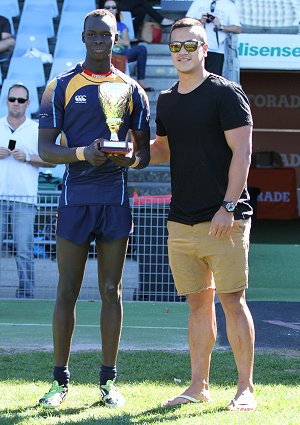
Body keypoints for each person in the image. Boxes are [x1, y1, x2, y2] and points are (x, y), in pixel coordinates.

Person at [38, 9, 150, 408]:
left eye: (107, 35)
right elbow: (46, 150)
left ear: (116, 38)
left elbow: (144, 155)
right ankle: (59, 382)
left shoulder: (133, 88)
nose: (101, 41)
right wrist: (84, 152)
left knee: (110, 291)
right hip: (75, 201)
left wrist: (127, 159)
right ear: (84, 38)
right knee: (66, 289)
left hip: (115, 201)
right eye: (94, 35)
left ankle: (108, 382)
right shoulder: (60, 86)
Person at [150, 17, 256, 412]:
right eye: (175, 46)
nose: (181, 52)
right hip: (181, 219)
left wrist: (228, 206)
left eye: (189, 45)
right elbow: (162, 150)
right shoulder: (166, 99)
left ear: (204, 48)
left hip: (224, 218)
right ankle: (198, 386)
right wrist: (128, 152)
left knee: (232, 301)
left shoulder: (226, 93)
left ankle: (245, 388)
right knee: (198, 305)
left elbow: (243, 153)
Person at [0, 84, 55, 298]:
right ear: (6, 101)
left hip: (24, 198)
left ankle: (26, 294)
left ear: (28, 103)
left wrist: (28, 158)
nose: (16, 103)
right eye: (13, 99)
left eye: (21, 100)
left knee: (24, 251)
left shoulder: (36, 130)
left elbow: (52, 161)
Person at [104, 0, 154, 91]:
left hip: (121, 53)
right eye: (108, 7)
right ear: (103, 10)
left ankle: (140, 81)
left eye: (113, 7)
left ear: (117, 10)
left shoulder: (122, 26)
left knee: (142, 49)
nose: (111, 9)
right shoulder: (99, 25)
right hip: (106, 54)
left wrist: (109, 38)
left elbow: (126, 42)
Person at [186, 0, 241, 75]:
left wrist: (220, 26)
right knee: (194, 79)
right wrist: (200, 21)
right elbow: (185, 23)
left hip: (217, 50)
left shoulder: (229, 5)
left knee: (213, 81)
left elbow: (237, 29)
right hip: (196, 48)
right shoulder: (198, 2)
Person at [98, 0, 174, 36]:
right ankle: (161, 20)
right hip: (110, 5)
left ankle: (133, 34)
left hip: (120, 3)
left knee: (141, 10)